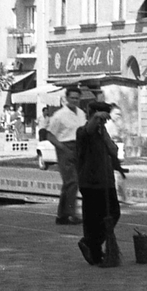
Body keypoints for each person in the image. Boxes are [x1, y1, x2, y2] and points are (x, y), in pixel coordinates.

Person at [75, 101, 127, 265]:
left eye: (104, 120)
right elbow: (87, 131)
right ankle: (95, 252)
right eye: (101, 119)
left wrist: (118, 168)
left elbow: (113, 151)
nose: (103, 122)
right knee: (93, 219)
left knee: (113, 213)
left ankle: (91, 244)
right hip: (90, 182)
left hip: (107, 181)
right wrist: (96, 118)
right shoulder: (83, 132)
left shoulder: (103, 132)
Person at [45, 86, 86, 225]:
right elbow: (50, 135)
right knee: (71, 181)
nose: (74, 100)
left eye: (77, 98)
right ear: (66, 98)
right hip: (65, 147)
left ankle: (62, 214)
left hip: (79, 147)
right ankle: (69, 214)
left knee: (74, 183)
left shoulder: (81, 113)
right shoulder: (59, 115)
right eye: (72, 98)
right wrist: (63, 149)